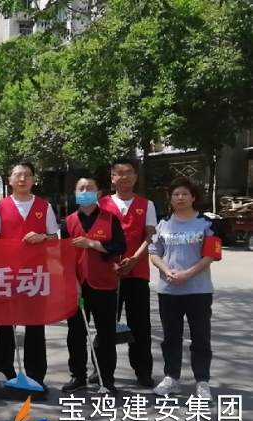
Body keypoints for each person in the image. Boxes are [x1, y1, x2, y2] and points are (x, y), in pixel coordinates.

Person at [0, 160, 59, 395]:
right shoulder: (0, 207)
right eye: (17, 175)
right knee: (5, 327)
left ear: (34, 179)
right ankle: (5, 375)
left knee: (35, 327)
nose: (22, 179)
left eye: (27, 175)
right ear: (9, 180)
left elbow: (55, 238)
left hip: (35, 275)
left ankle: (36, 377)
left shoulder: (44, 206)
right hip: (6, 275)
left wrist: (42, 237)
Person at [149, 177, 220, 401]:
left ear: (193, 197)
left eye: (185, 194)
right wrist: (167, 271)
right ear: (170, 198)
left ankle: (202, 382)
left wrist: (188, 273)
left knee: (201, 337)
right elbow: (154, 253)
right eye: (176, 194)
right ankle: (172, 378)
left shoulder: (207, 223)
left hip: (198, 290)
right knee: (171, 337)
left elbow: (211, 254)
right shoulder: (163, 224)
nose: (180, 198)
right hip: (168, 290)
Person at [60, 176, 127, 397]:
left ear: (98, 193)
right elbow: (63, 256)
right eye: (81, 188)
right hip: (77, 285)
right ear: (75, 193)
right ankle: (78, 376)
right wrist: (72, 282)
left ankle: (106, 378)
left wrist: (93, 244)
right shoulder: (69, 222)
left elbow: (119, 246)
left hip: (104, 285)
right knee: (76, 333)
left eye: (89, 188)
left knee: (106, 334)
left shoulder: (110, 219)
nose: (85, 191)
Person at [95, 158, 157, 388]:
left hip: (137, 271)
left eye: (129, 172)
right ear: (112, 178)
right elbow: (96, 237)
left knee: (140, 324)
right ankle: (101, 370)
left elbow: (149, 236)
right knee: (105, 324)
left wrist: (133, 260)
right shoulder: (101, 205)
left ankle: (143, 370)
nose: (125, 176)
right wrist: (111, 261)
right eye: (120, 173)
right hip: (106, 272)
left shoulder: (146, 204)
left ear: (136, 177)